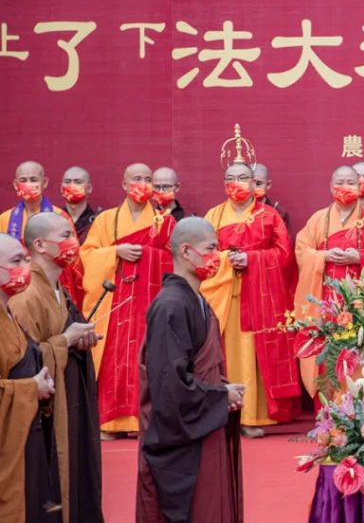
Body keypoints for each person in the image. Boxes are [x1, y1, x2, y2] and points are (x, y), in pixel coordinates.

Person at [136, 217, 244, 522]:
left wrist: (223, 391)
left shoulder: (196, 300)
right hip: (185, 437)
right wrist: (220, 395)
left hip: (203, 423)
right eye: (210, 249)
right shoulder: (171, 305)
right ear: (185, 251)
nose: (217, 257)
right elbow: (169, 384)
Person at [10, 214, 102, 522]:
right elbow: (23, 363)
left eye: (73, 235)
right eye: (65, 235)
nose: (73, 242)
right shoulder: (27, 296)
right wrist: (65, 341)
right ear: (39, 244)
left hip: (69, 399)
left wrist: (80, 339)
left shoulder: (57, 288)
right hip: (44, 417)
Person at [201, 162, 300, 437]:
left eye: (243, 177)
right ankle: (223, 413)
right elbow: (202, 253)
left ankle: (252, 415)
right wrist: (226, 259)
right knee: (225, 352)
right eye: (230, 177)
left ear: (253, 181)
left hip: (261, 296)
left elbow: (285, 256)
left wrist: (252, 259)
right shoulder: (213, 216)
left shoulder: (269, 216)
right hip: (223, 296)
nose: (237, 183)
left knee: (254, 353)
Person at [81, 163, 175, 437]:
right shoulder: (106, 220)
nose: (142, 184)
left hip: (149, 300)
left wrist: (148, 254)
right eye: (136, 178)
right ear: (124, 184)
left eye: (147, 179)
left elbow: (175, 259)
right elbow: (86, 255)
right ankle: (110, 421)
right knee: (113, 357)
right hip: (114, 300)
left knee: (147, 355)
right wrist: (115, 251)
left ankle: (141, 419)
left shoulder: (164, 221)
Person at [294, 166, 364, 395]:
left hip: (359, 304)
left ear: (359, 187)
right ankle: (328, 408)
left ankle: (358, 403)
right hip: (324, 301)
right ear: (331, 186)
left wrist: (359, 257)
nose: (345, 187)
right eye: (340, 182)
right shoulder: (318, 219)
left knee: (358, 354)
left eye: (351, 182)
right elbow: (302, 251)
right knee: (327, 356)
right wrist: (323, 256)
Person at [0, 233, 61, 522]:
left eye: (26, 259)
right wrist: (30, 388)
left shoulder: (9, 313)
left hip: (26, 435)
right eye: (16, 261)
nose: (25, 268)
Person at [1, 161, 84, 308]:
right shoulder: (4, 219)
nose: (28, 184)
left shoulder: (60, 217)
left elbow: (73, 259)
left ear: (44, 182)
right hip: (17, 288)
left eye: (33, 180)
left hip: (52, 284)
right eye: (23, 180)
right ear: (15, 184)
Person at [60, 166, 98, 245]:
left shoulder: (98, 220)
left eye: (78, 182)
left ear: (89, 188)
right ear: (61, 188)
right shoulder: (54, 219)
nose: (71, 186)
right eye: (67, 182)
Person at [252, 163, 290, 232]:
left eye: (258, 183)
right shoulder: (237, 209)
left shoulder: (279, 212)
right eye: (250, 183)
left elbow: (283, 238)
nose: (253, 188)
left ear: (268, 185)